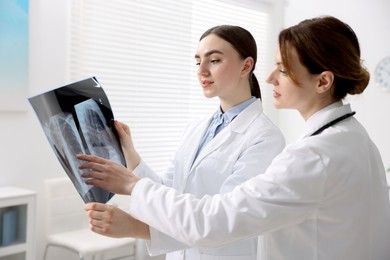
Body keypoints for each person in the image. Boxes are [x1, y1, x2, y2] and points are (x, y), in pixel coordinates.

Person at [78, 16, 390, 260]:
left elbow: (216, 222)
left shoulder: (307, 152)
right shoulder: (353, 139)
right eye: (197, 60)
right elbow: (174, 193)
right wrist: (131, 157)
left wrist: (132, 190)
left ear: (323, 81)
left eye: (282, 69)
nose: (269, 78)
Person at [80, 25, 285, 260]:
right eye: (198, 62)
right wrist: (130, 152)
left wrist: (134, 227)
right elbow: (168, 191)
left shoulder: (265, 138)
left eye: (214, 60)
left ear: (246, 66)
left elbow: (223, 222)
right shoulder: (196, 128)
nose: (202, 70)